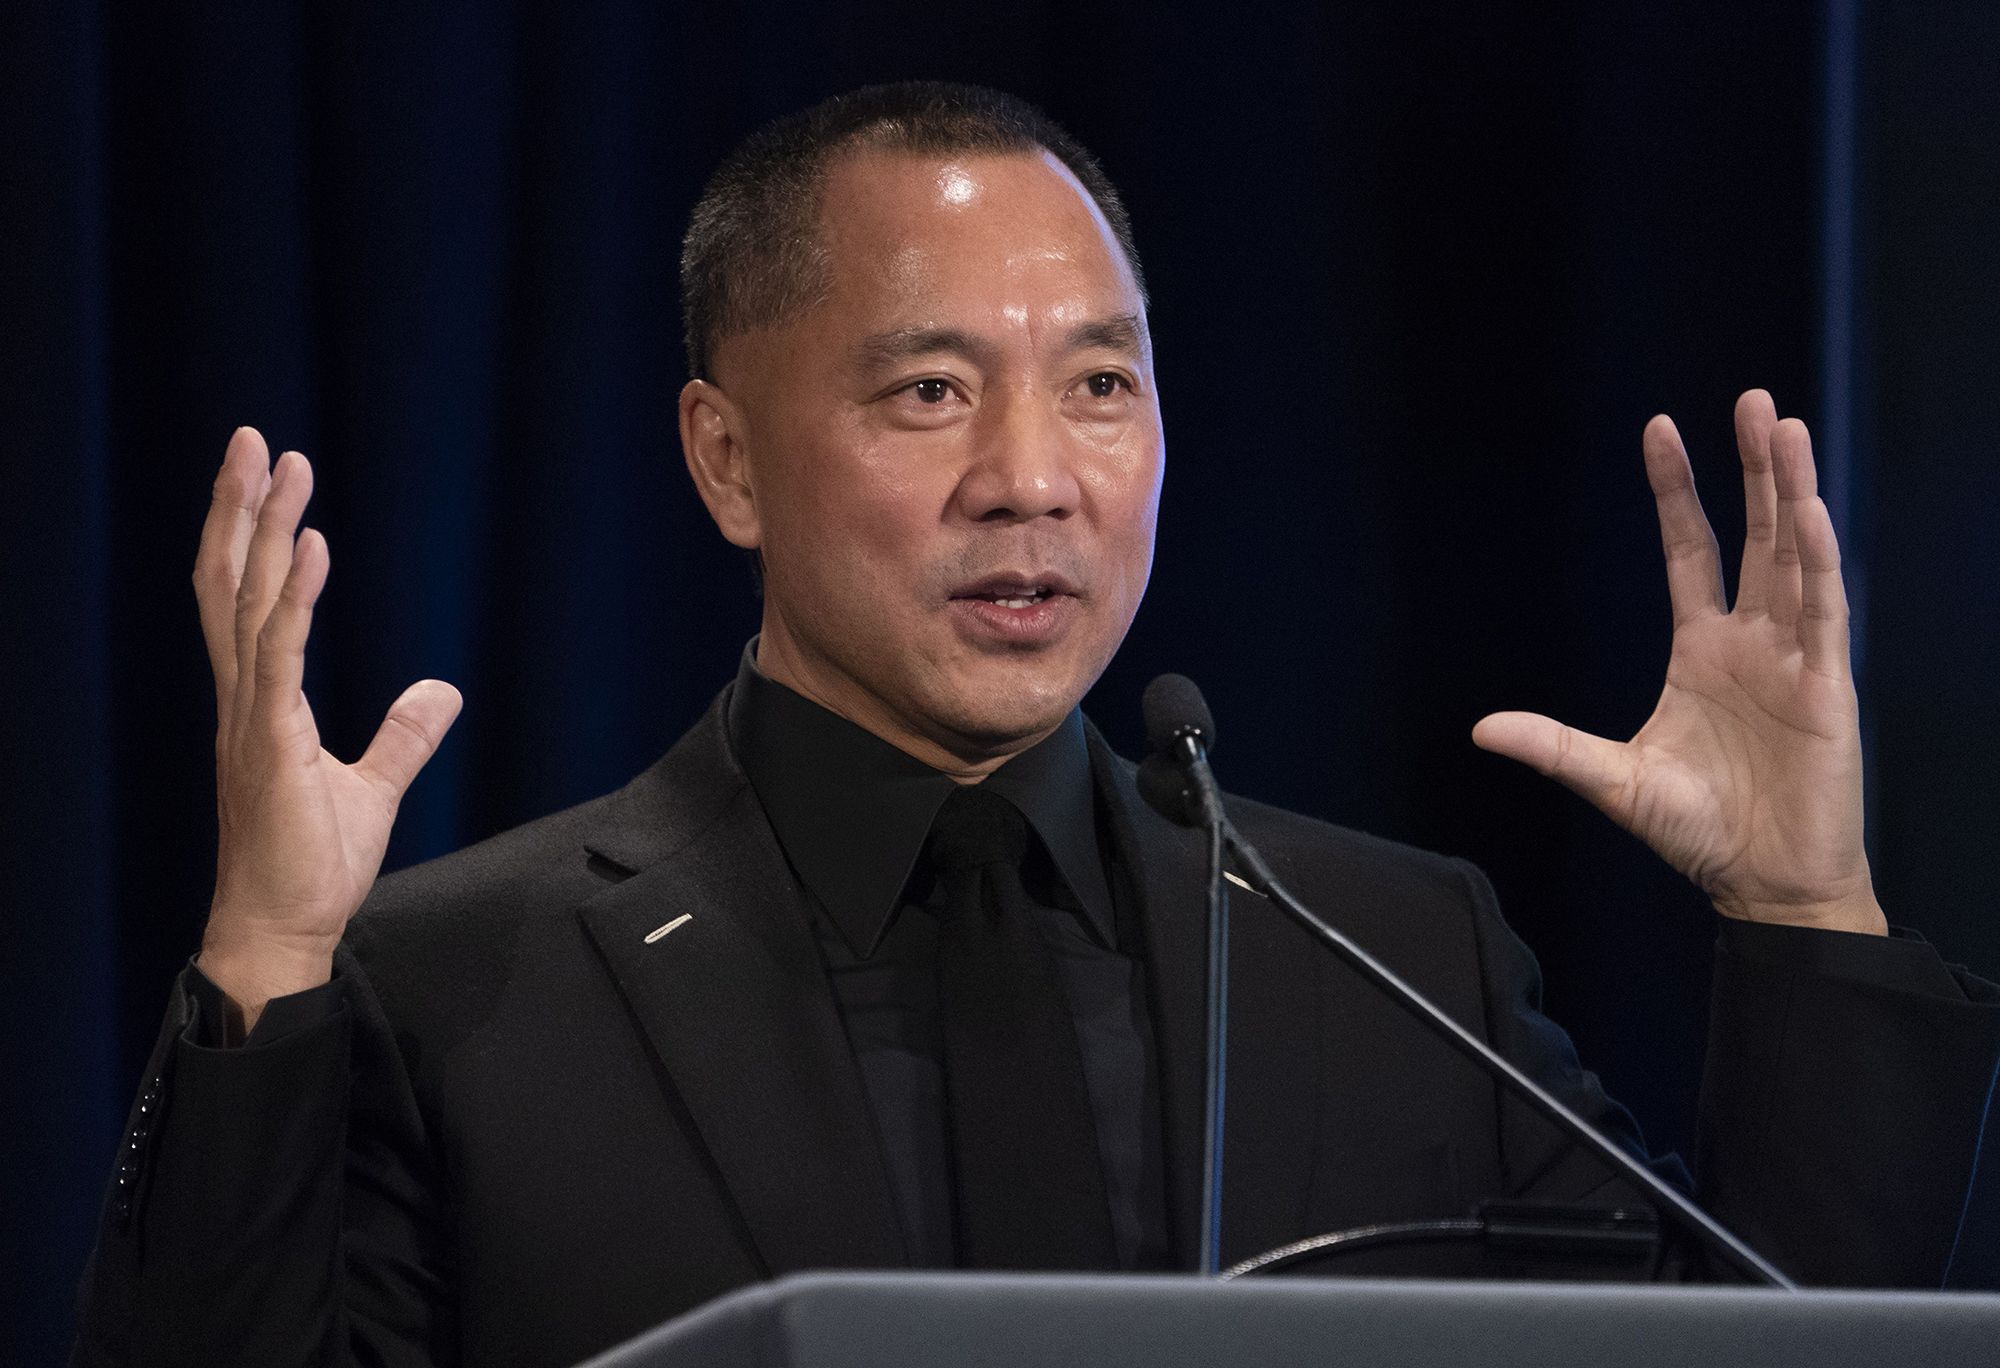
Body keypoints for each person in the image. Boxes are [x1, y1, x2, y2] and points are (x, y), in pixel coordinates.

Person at [72, 82, 2000, 1368]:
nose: (1034, 478)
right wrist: (261, 968)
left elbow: (1765, 1344)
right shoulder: (462, 983)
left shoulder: (1394, 958)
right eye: (927, 392)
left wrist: (1804, 906)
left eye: (1100, 385)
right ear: (725, 459)